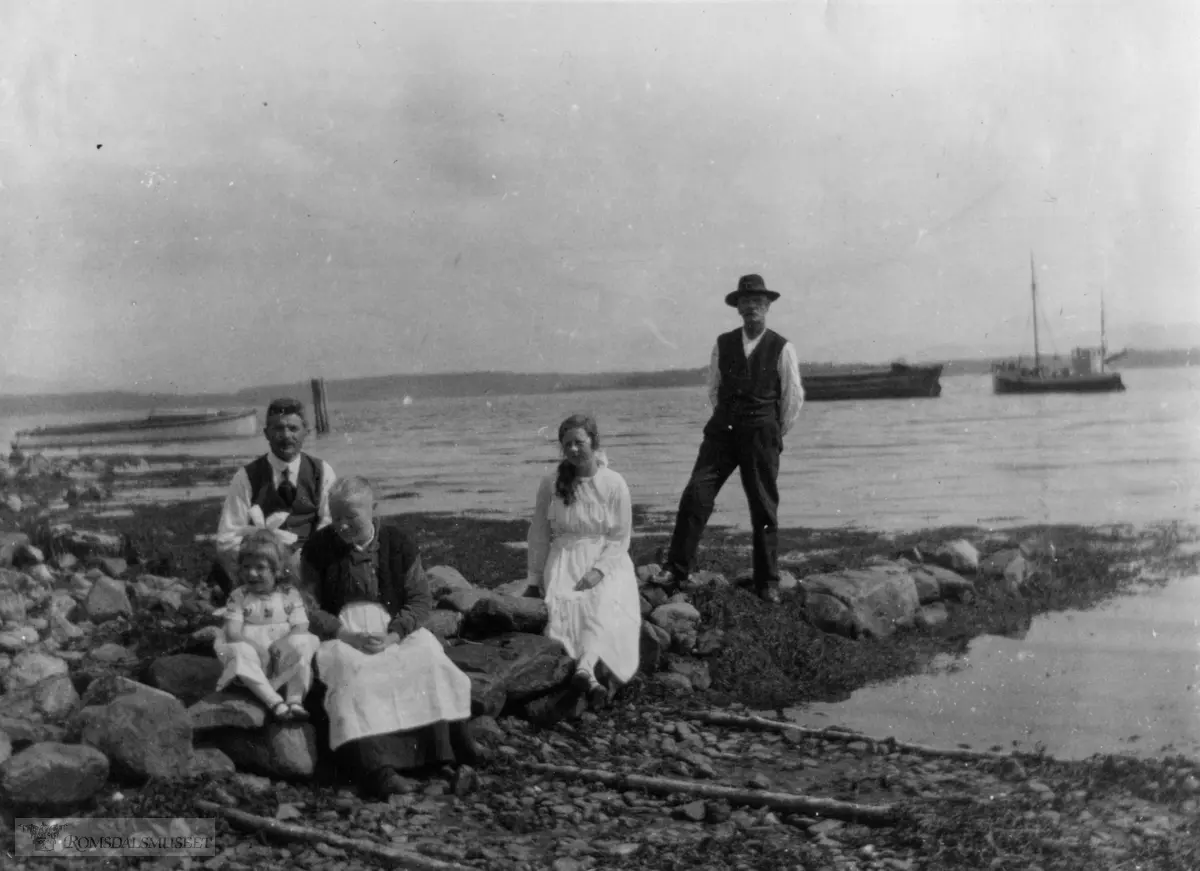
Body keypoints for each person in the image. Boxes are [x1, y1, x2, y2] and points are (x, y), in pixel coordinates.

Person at [300, 476, 482, 798]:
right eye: (336, 516)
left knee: (429, 657)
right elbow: (309, 608)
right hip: (341, 635)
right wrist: (346, 635)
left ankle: (443, 755)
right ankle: (376, 769)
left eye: (351, 516)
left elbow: (420, 599)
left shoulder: (398, 543)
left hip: (392, 630)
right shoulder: (317, 549)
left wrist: (395, 635)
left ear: (374, 510)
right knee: (352, 676)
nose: (342, 525)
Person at [656, 274, 804, 603]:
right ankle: (676, 569)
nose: (751, 306)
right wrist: (730, 417)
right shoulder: (722, 343)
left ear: (767, 307)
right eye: (745, 301)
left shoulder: (782, 347)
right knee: (696, 493)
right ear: (737, 307)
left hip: (762, 434)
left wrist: (772, 432)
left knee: (763, 507)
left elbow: (792, 398)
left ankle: (768, 581)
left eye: (757, 301)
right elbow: (714, 388)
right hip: (723, 431)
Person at [527, 414, 641, 709]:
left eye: (579, 442)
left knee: (602, 603)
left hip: (607, 559)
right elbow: (539, 532)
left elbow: (620, 538)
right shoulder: (550, 483)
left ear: (594, 442)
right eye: (567, 444)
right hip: (564, 557)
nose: (574, 449)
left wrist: (598, 572)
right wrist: (533, 578)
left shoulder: (614, 483)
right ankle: (588, 676)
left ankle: (585, 669)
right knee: (562, 606)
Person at [214, 397, 336, 595]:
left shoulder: (322, 472)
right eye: (278, 429)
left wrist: (304, 557)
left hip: (307, 571)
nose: (286, 436)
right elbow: (227, 538)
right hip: (260, 575)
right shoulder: (246, 476)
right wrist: (260, 562)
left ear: (306, 432)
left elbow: (330, 525)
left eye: (293, 429)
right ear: (266, 433)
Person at [213, 529, 321, 721]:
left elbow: (300, 626)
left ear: (277, 570)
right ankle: (273, 701)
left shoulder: (289, 594)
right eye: (246, 567)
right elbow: (233, 631)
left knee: (303, 643)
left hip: (283, 654)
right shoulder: (240, 596)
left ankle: (294, 700)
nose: (252, 573)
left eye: (260, 568)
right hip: (256, 657)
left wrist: (282, 643)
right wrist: (258, 650)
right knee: (238, 651)